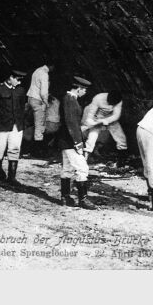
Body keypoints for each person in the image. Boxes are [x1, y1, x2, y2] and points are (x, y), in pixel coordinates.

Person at [58, 76, 96, 210]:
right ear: (78, 88)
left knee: (67, 168)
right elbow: (71, 124)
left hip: (66, 141)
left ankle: (65, 197)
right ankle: (83, 199)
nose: (85, 92)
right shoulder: (70, 100)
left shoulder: (70, 99)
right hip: (70, 142)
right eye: (84, 89)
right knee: (82, 168)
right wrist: (78, 144)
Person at [81, 91, 128, 167]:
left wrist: (105, 121)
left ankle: (121, 161)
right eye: (110, 103)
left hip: (109, 117)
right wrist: (94, 123)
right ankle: (84, 160)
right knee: (92, 137)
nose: (110, 105)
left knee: (121, 137)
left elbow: (116, 115)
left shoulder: (118, 101)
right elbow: (90, 114)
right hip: (95, 116)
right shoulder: (98, 98)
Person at [26, 63, 55, 155]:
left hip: (30, 98)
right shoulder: (44, 74)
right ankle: (37, 150)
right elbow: (44, 91)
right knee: (40, 125)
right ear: (51, 66)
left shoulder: (37, 70)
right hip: (38, 100)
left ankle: (28, 146)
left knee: (31, 123)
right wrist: (46, 102)